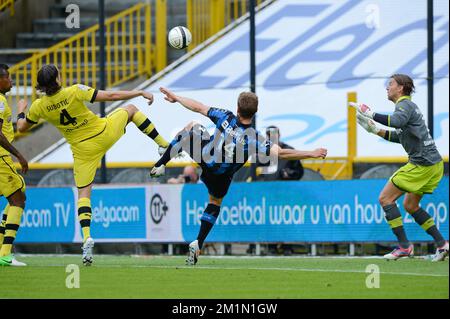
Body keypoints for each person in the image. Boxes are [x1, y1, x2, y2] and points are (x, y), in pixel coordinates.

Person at [151, 87, 327, 265]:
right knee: (214, 202)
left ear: (237, 108)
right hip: (221, 176)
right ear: (255, 112)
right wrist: (311, 153)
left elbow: (199, 107)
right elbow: (281, 153)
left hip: (206, 157)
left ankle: (161, 163)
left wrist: (176, 97)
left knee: (192, 127)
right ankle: (199, 242)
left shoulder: (225, 117)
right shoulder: (254, 138)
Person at [16, 64, 169, 266]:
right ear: (57, 79)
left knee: (84, 194)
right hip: (102, 133)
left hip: (82, 151)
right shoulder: (75, 90)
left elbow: (21, 127)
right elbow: (112, 97)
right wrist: (139, 91)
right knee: (131, 110)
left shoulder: (39, 106)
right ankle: (164, 145)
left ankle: (87, 237)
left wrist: (21, 111)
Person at [352, 73, 448, 262]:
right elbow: (399, 136)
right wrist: (373, 129)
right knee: (410, 205)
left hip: (422, 164)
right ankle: (442, 244)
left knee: (385, 198)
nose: (387, 88)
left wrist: (369, 113)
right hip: (433, 164)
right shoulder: (406, 107)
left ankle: (405, 247)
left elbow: (395, 122)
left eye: (390, 84)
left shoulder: (404, 105)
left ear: (401, 88)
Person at [255, 125, 304, 255]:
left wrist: (290, 174)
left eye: (274, 135)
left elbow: (299, 171)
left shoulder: (289, 151)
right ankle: (272, 246)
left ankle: (287, 246)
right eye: (270, 136)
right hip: (270, 194)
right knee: (271, 219)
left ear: (279, 135)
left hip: (286, 194)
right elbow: (255, 174)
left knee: (286, 218)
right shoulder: (261, 153)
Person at [0, 64, 28, 266]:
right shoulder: (0, 101)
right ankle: (5, 253)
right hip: (1, 158)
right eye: (7, 77)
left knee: (18, 192)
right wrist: (19, 154)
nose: (11, 81)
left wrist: (20, 112)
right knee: (18, 199)